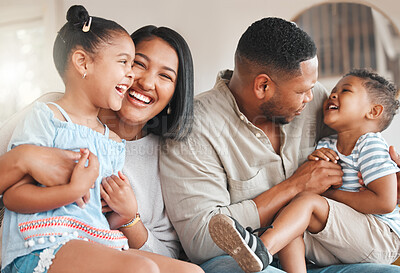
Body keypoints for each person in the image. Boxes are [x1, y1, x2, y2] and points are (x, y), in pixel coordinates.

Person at [159, 17, 400, 273]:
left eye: (312, 88)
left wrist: (391, 174)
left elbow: (363, 146)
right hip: (238, 261)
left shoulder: (315, 99)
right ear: (263, 86)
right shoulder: (193, 128)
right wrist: (295, 186)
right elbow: (201, 242)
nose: (314, 96)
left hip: (320, 251)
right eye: (301, 92)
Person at [0, 5, 202, 273]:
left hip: (98, 242)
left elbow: (103, 215)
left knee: (192, 272)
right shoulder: (47, 114)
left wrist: (129, 218)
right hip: (44, 241)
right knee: (142, 269)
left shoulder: (117, 144)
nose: (138, 78)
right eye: (133, 63)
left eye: (165, 75)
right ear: (85, 63)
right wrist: (27, 159)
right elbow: (11, 195)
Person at [208, 68, 400, 273]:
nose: (333, 94)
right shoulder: (327, 145)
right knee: (288, 221)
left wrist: (328, 194)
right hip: (344, 240)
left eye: (346, 90)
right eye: (334, 89)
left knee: (306, 202)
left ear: (373, 111)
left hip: (380, 235)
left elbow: (385, 202)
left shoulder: (370, 145)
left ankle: (262, 248)